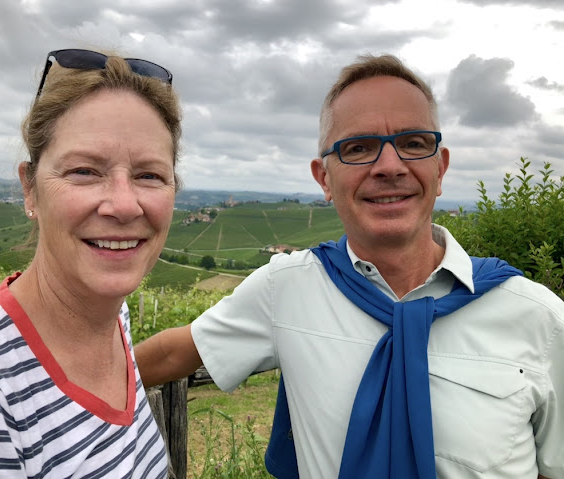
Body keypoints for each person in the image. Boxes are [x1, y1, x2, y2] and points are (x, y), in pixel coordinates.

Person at [135, 54, 563, 479]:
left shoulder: (540, 319)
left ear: (440, 167)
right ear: (324, 178)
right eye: (358, 148)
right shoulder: (287, 288)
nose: (390, 166)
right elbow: (173, 353)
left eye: (414, 143)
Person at [0, 49, 181, 477]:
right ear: (30, 189)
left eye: (149, 175)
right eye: (84, 171)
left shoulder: (112, 319)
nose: (123, 205)